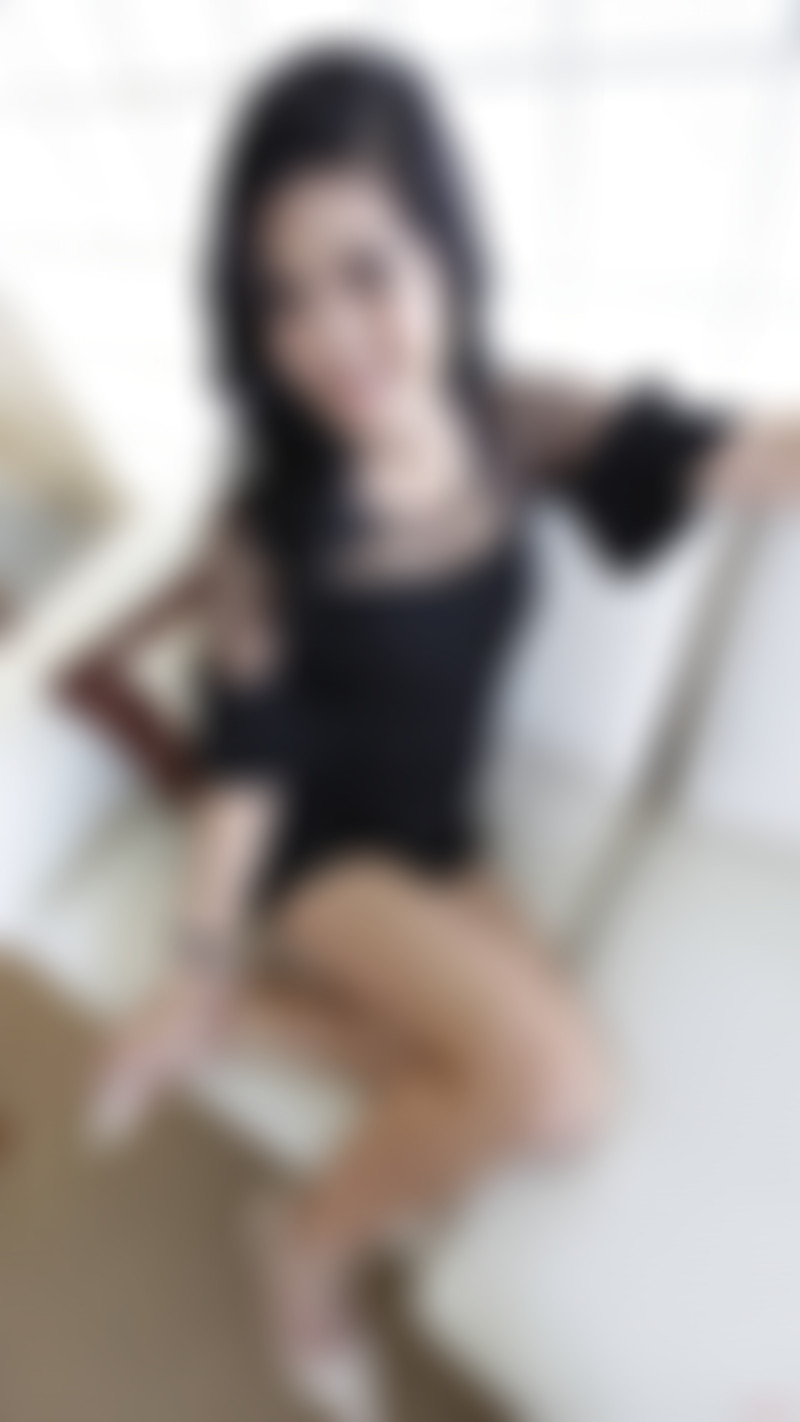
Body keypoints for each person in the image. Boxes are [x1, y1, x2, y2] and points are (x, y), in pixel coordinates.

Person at [92, 45, 800, 1420]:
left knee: (507, 1083)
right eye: (283, 299)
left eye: (366, 272)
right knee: (557, 1092)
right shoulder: (267, 525)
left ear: (447, 254)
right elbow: (248, 757)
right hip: (318, 849)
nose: (331, 338)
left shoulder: (512, 420)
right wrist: (196, 945)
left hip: (438, 828)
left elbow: (728, 451)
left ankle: (238, 1026)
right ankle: (303, 1249)